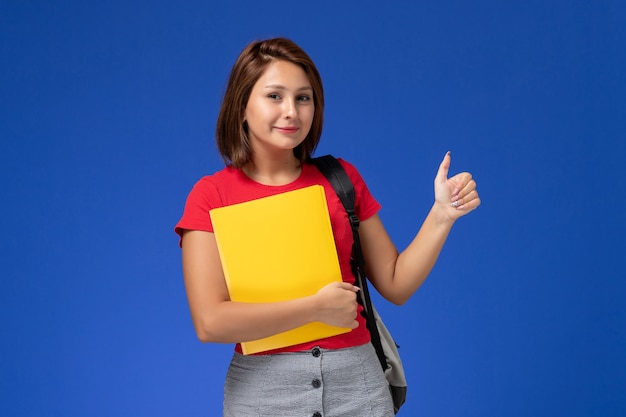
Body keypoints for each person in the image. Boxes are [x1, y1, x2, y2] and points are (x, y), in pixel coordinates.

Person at [175, 37, 480, 417]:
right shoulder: (211, 195)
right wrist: (315, 308)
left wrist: (441, 216)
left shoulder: (340, 179)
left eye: (304, 98)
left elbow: (396, 284)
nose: (292, 111)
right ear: (241, 106)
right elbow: (210, 322)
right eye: (274, 96)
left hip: (358, 385)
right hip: (264, 392)